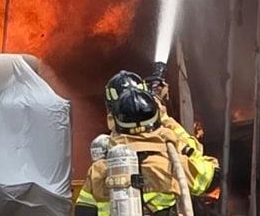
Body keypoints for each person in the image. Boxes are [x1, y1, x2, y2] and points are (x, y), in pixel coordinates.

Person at [79, 86, 220, 215]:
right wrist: (166, 121)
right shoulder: (173, 165)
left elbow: (83, 212)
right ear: (155, 120)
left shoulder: (98, 171)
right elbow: (213, 177)